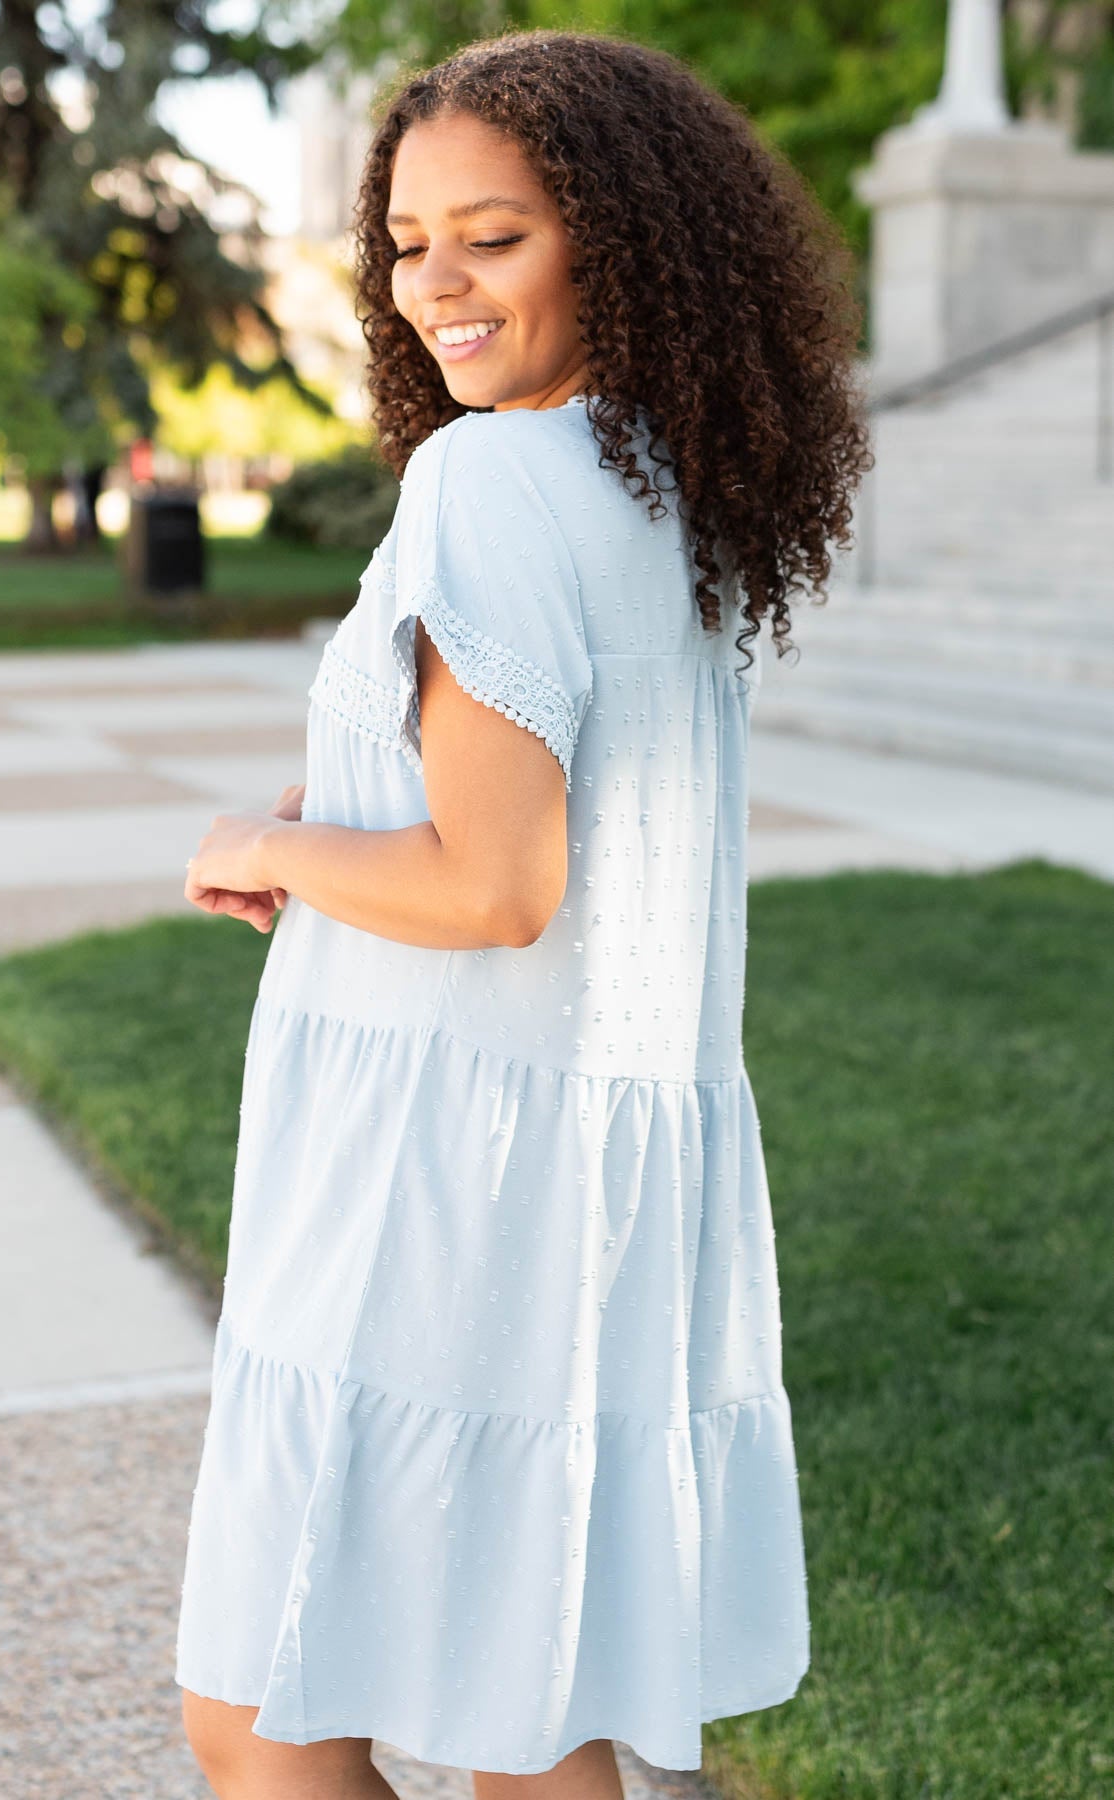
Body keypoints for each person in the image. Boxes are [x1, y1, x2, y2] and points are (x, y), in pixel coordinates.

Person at [174, 27, 871, 1800]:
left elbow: (491, 887)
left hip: (432, 1181)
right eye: (409, 243)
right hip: (580, 1183)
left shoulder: (486, 482)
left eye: (495, 234)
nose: (436, 285)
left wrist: (256, 844)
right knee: (529, 1704)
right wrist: (334, 852)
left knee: (257, 1711)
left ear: (614, 245)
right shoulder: (654, 482)